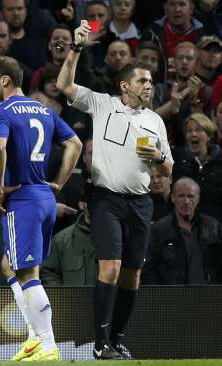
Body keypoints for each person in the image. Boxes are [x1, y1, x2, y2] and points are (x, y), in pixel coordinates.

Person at [56, 21, 173, 360]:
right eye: (142, 81)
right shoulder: (103, 104)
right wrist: (77, 49)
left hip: (141, 202)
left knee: (132, 274)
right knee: (109, 267)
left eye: (151, 81)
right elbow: (64, 85)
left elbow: (169, 169)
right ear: (124, 85)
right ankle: (100, 342)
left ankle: (119, 338)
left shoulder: (155, 121)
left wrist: (159, 156)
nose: (149, 86)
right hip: (107, 199)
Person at [0, 56, 83, 361]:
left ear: (4, 80)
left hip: (23, 199)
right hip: (45, 197)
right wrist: (59, 182)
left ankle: (47, 341)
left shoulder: (1, 110)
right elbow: (76, 145)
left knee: (27, 273)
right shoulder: (44, 110)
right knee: (10, 264)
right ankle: (32, 336)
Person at [143, 177, 222, 285]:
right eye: (181, 196)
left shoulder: (213, 227)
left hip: (209, 296)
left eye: (190, 196)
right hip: (172, 297)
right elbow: (149, 267)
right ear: (173, 198)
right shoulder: (159, 229)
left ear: (198, 199)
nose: (186, 201)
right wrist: (159, 296)